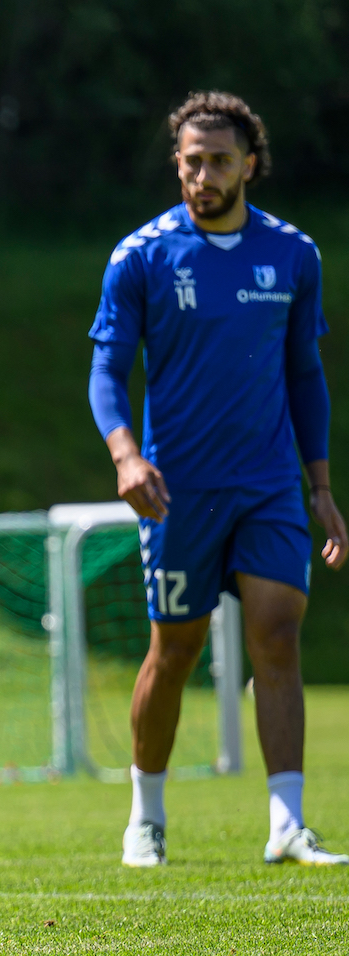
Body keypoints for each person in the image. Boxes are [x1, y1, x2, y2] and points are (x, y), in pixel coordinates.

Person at [88, 91, 347, 868]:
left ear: (250, 166)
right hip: (179, 489)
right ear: (177, 163)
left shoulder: (294, 255)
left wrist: (321, 487)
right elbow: (106, 366)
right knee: (177, 650)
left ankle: (286, 823)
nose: (203, 175)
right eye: (191, 161)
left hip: (267, 483)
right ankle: (147, 817)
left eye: (219, 161)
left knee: (278, 634)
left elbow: (306, 373)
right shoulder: (141, 256)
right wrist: (127, 455)